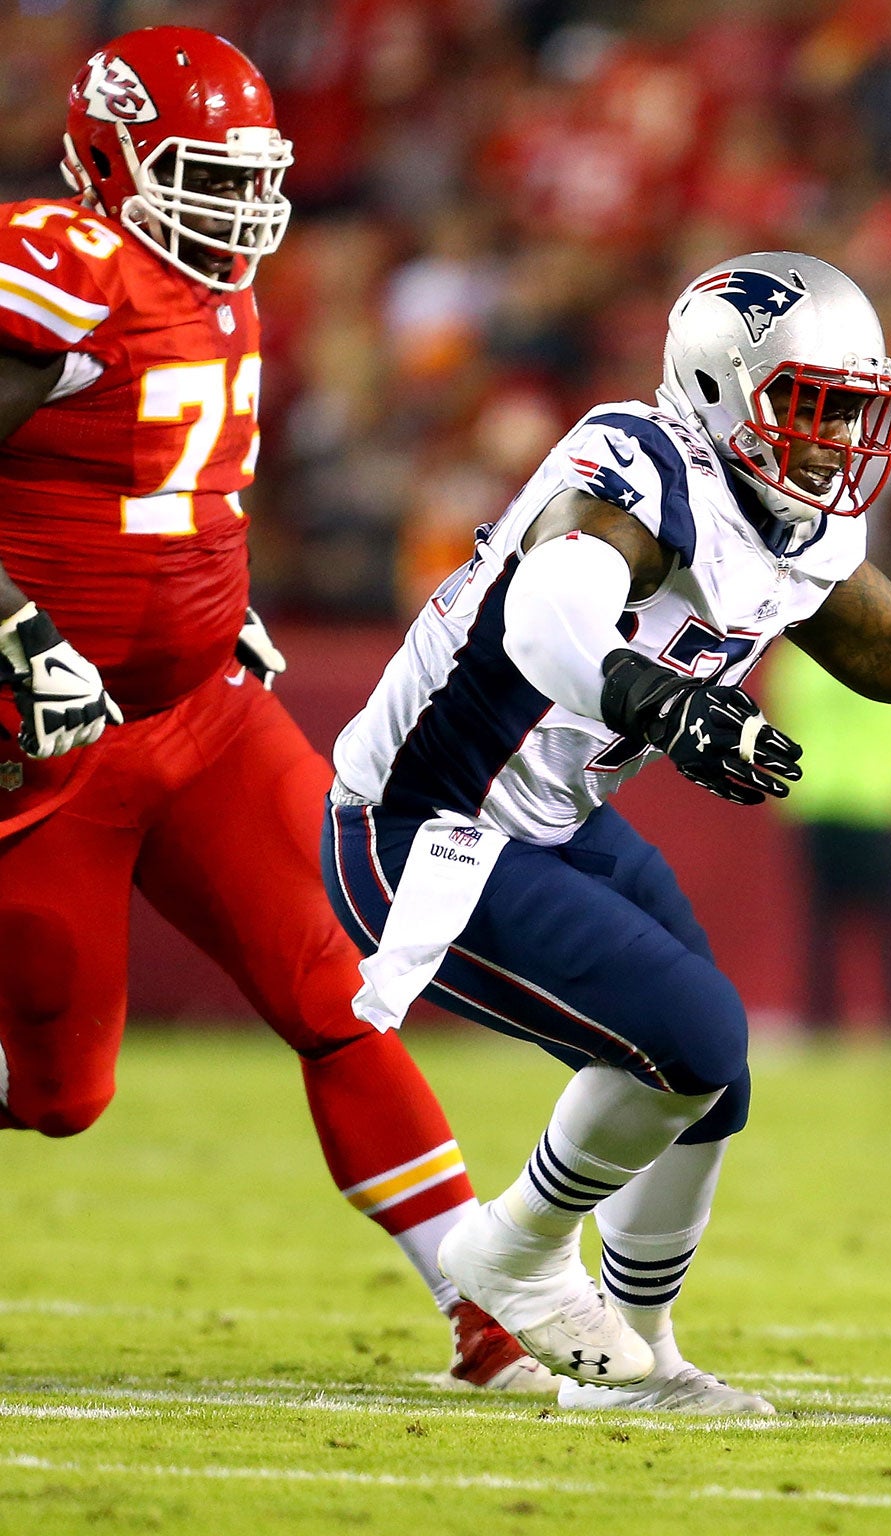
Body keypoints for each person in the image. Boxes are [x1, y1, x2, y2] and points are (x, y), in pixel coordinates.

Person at [322, 250, 891, 1412]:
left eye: (851, 412)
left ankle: (634, 1363)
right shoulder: (638, 460)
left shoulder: (786, 515)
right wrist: (665, 701)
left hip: (547, 819)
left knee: (717, 1073)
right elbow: (549, 612)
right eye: (808, 408)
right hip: (424, 822)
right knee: (689, 1032)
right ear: (716, 387)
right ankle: (504, 1252)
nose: (831, 441)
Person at [0, 28, 545, 1392]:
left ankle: (489, 1314)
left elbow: (170, 488)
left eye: (252, 178)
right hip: (49, 741)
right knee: (61, 1099)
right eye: (202, 174)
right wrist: (13, 631)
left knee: (346, 985)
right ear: (112, 158)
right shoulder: (63, 263)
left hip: (204, 716)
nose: (236, 208)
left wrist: (209, 596)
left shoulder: (220, 292)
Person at [762, 642, 891, 1034]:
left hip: (818, 802)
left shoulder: (800, 659)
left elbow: (778, 718)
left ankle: (821, 1022)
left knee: (821, 927)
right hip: (883, 804)